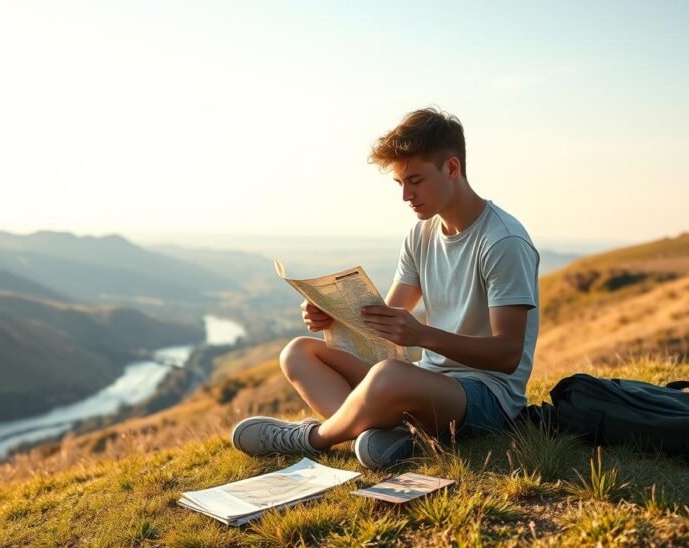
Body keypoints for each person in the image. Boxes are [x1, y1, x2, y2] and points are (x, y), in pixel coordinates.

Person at [231, 107, 540, 469]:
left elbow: (506, 355)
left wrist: (422, 335)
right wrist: (330, 317)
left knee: (389, 376)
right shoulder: (421, 234)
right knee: (298, 352)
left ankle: (312, 438)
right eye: (400, 184)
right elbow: (383, 325)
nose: (406, 195)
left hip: (487, 399)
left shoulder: (502, 241)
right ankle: (381, 437)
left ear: (452, 168)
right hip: (427, 381)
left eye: (416, 180)